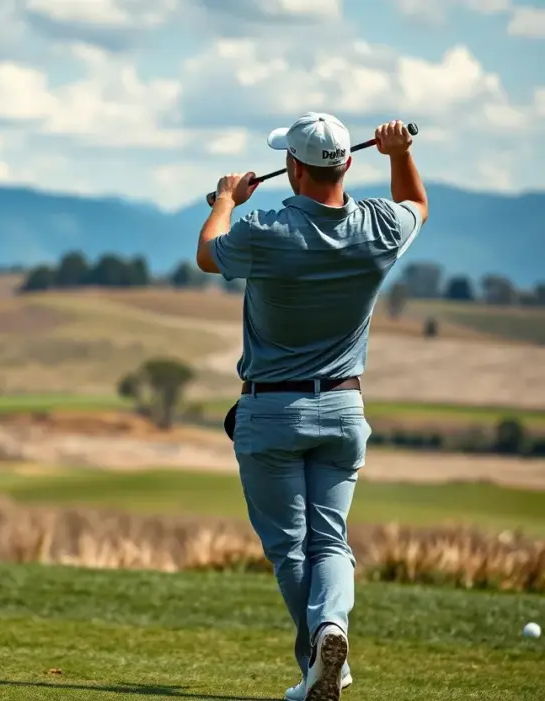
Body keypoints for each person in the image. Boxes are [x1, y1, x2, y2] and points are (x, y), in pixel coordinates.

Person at [195, 113, 428, 701]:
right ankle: (331, 633)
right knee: (331, 541)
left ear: (293, 168)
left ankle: (319, 666)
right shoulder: (378, 226)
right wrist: (398, 154)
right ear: (348, 162)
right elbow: (416, 205)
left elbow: (207, 253)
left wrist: (225, 199)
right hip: (344, 412)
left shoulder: (264, 230)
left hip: (271, 414)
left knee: (289, 549)